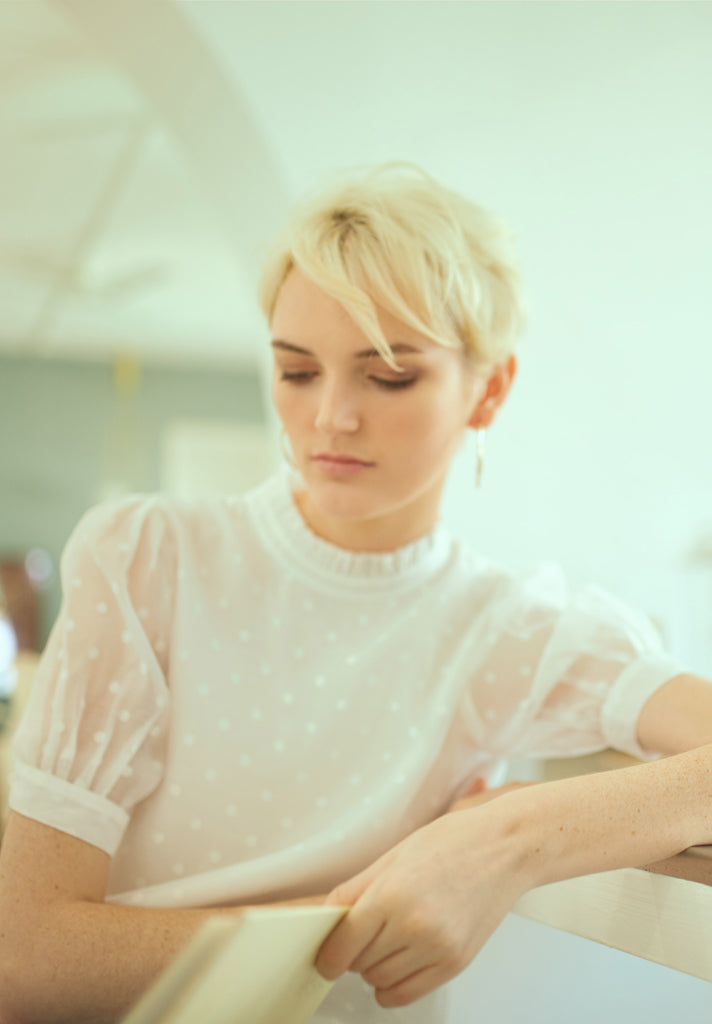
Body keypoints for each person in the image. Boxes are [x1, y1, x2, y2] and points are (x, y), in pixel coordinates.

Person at [0, 160, 711, 1024]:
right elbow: (28, 962)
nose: (331, 416)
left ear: (488, 390)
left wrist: (508, 834)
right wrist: (376, 910)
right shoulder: (149, 558)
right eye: (297, 372)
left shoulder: (510, 628)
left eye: (389, 375)